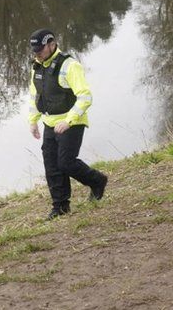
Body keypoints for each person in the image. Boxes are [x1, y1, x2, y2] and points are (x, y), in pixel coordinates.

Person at [28, 28, 108, 219]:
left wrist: (68, 120)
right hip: (49, 122)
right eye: (35, 51)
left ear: (51, 44)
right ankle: (61, 206)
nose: (37, 54)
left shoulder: (70, 65)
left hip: (72, 122)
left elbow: (85, 97)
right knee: (52, 166)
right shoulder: (37, 67)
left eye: (40, 49)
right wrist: (33, 121)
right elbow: (35, 96)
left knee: (66, 163)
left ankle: (97, 180)